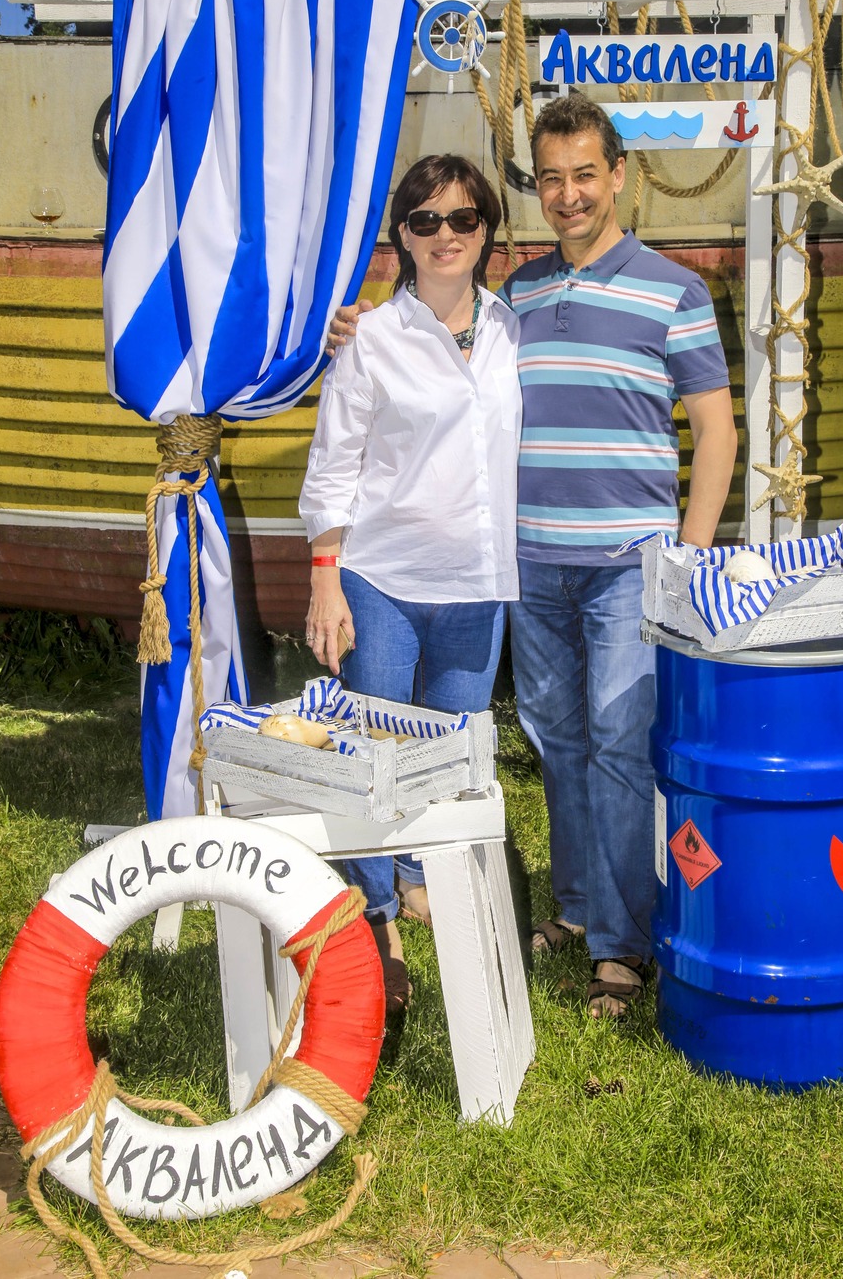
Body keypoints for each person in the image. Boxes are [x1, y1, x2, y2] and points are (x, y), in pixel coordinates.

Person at [328, 95, 737, 1020]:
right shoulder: (512, 299)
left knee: (621, 744)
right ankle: (581, 907)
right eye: (550, 178)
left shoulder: (674, 291)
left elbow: (714, 429)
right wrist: (369, 327)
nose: (568, 194)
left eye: (584, 173)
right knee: (555, 742)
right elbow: (434, 337)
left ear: (618, 174)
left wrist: (691, 556)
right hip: (524, 566)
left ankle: (623, 949)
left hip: (630, 561)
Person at [299, 154, 520, 1012]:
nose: (445, 237)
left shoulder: (511, 327)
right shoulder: (371, 341)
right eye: (425, 222)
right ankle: (379, 915)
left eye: (462, 220)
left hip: (475, 584)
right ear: (401, 235)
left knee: (450, 750)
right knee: (372, 754)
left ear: (486, 232)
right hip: (380, 578)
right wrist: (326, 581)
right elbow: (332, 469)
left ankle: (427, 876)